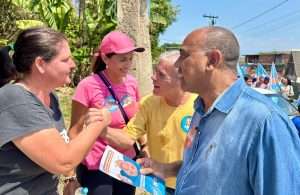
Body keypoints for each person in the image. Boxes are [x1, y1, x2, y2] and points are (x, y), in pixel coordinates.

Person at [137, 26, 300, 195]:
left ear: (212, 60)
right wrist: (166, 169)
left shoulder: (265, 121)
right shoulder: (201, 109)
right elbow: (201, 169)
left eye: (184, 55)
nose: (177, 65)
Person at [0, 27, 111, 195]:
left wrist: (70, 178)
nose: (73, 64)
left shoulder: (51, 97)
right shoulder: (16, 99)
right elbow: (64, 160)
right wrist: (98, 123)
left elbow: (64, 144)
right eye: (65, 59)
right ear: (40, 64)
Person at [101, 50, 196, 195]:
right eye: (155, 72)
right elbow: (127, 138)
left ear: (181, 79)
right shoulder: (149, 103)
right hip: (159, 186)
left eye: (161, 75)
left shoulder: (200, 106)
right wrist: (99, 129)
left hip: (193, 185)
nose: (153, 77)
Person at [69, 31, 145, 195]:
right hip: (97, 163)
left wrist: (144, 146)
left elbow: (138, 120)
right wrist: (70, 174)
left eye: (131, 58)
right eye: (122, 59)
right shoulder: (87, 86)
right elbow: (74, 131)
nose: (128, 64)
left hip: (126, 162)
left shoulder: (132, 83)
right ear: (105, 58)